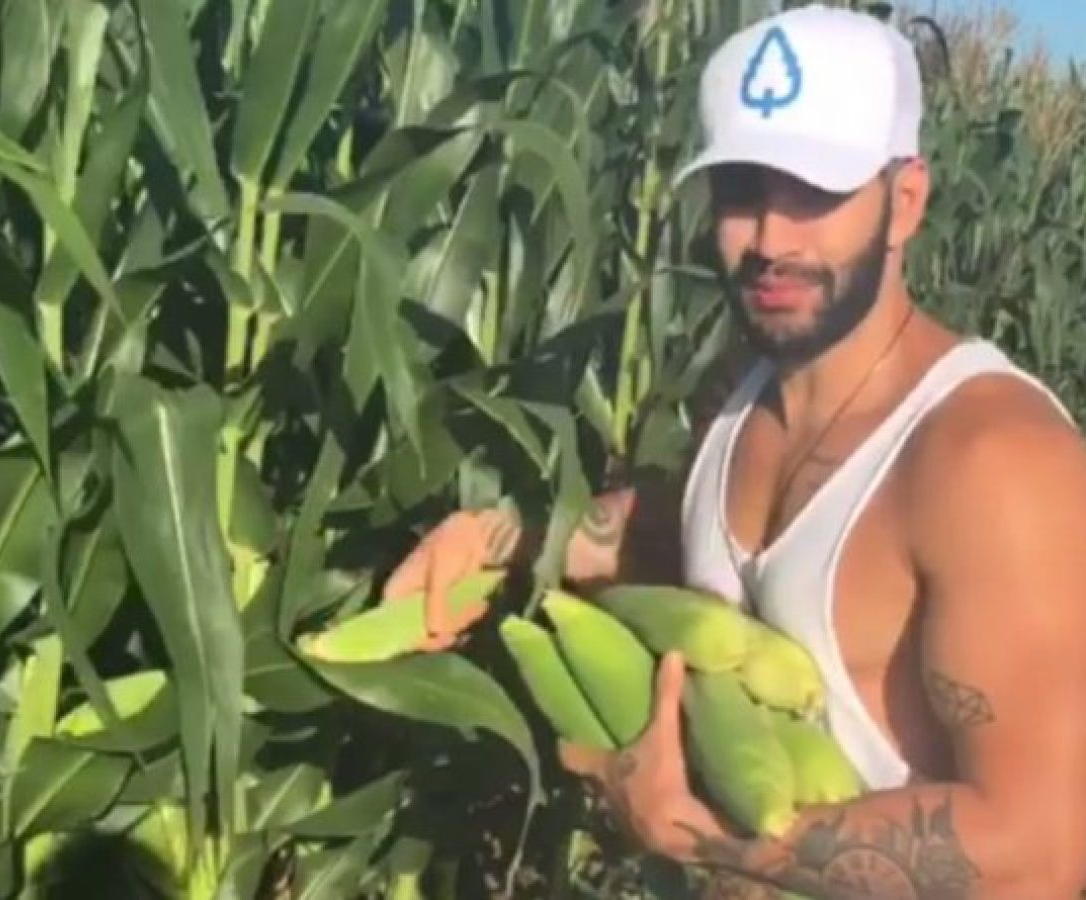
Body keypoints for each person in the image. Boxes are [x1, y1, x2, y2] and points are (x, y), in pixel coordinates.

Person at [382, 4, 1086, 897]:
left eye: (815, 194)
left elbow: (1048, 850)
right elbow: (679, 546)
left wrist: (703, 836)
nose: (771, 241)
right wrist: (496, 538)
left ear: (905, 200)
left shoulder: (991, 461)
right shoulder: (739, 393)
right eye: (741, 192)